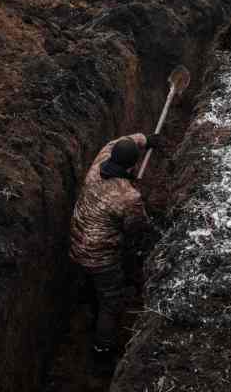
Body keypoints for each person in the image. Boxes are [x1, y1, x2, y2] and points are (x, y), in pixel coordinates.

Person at [69, 132, 162, 362]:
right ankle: (103, 349)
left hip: (75, 244)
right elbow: (137, 230)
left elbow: (112, 142)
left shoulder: (98, 165)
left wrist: (144, 139)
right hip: (101, 259)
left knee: (92, 289)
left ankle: (90, 307)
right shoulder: (127, 197)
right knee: (111, 303)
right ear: (133, 164)